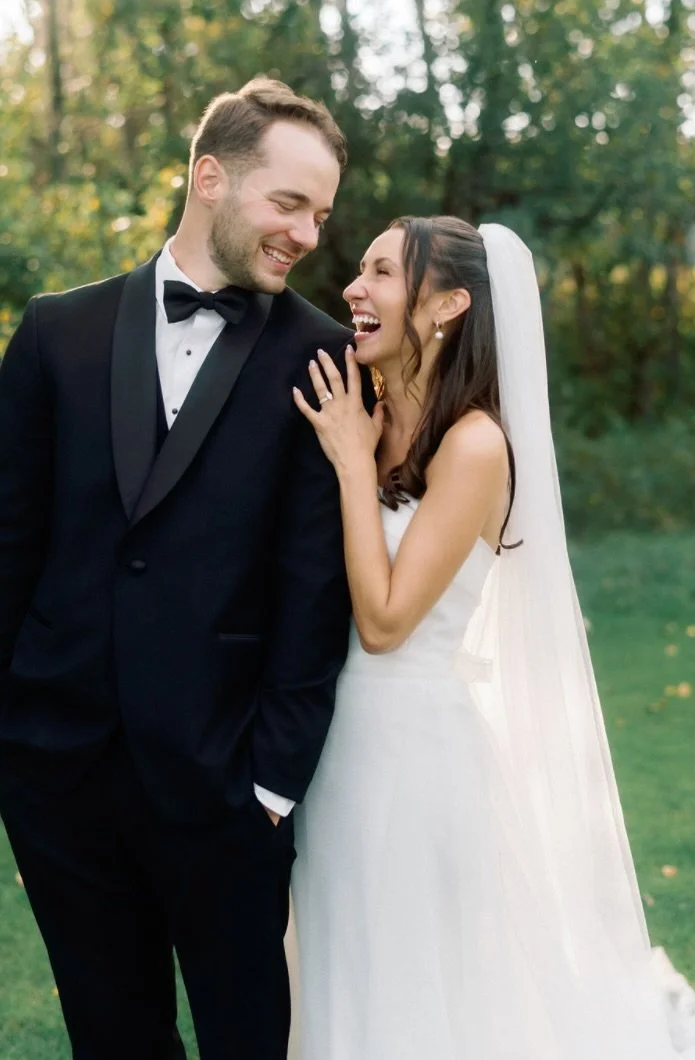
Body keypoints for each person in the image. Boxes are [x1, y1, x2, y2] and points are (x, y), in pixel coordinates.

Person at [289, 216, 695, 1059]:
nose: (352, 289)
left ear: (447, 303)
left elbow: (383, 622)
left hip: (413, 755)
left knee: (420, 975)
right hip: (337, 744)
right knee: (350, 953)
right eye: (360, 270)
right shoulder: (371, 420)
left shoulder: (476, 443)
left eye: (380, 273)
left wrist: (347, 464)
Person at [0, 77, 371, 1060]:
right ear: (211, 176)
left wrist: (273, 784)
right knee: (111, 1038)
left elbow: (314, 591)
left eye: (321, 214)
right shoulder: (54, 333)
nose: (306, 233)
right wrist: (16, 755)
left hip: (228, 787)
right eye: (288, 203)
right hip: (59, 776)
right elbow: (7, 550)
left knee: (248, 1037)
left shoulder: (325, 359)